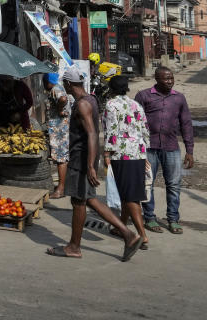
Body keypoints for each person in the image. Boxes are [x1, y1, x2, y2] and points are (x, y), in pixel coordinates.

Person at [46, 67, 141, 261]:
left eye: (65, 84)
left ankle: (74, 246)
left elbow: (91, 134)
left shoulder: (82, 105)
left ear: (68, 84)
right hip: (84, 158)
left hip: (81, 159)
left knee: (78, 201)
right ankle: (127, 234)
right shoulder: (90, 99)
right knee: (87, 199)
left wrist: (90, 165)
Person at [134, 66, 195, 235]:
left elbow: (186, 124)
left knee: (174, 185)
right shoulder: (144, 95)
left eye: (171, 78)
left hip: (171, 147)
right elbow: (133, 121)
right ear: (156, 79)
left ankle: (173, 219)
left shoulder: (179, 98)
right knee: (148, 184)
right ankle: (150, 218)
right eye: (166, 78)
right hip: (148, 147)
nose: (170, 81)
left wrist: (189, 150)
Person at [103, 75, 151, 251]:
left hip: (122, 154)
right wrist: (144, 152)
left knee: (131, 196)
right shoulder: (136, 104)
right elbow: (145, 128)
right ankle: (120, 227)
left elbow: (111, 130)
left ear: (111, 88)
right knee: (127, 193)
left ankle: (142, 235)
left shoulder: (111, 105)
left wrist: (106, 153)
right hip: (138, 152)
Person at [43, 72, 71, 199]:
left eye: (44, 82)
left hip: (59, 130)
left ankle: (61, 189)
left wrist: (60, 109)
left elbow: (63, 99)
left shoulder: (55, 89)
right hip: (60, 129)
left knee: (61, 159)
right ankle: (63, 185)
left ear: (48, 82)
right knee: (62, 159)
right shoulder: (59, 88)